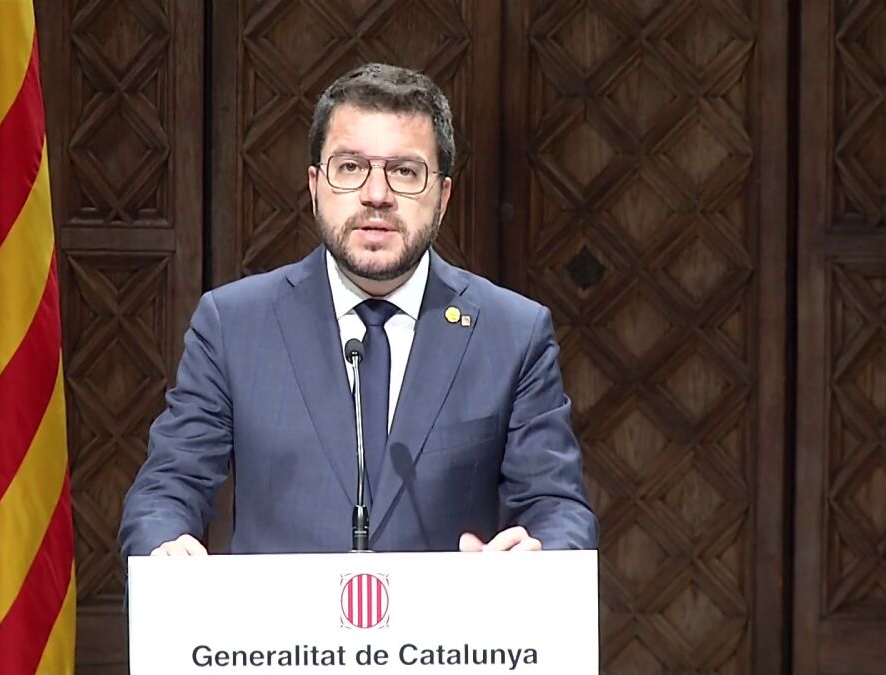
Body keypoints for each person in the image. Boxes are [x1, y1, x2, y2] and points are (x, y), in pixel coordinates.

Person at [119, 63, 597, 557]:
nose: (376, 195)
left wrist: (539, 555)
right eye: (350, 167)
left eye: (405, 172)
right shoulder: (233, 326)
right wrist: (165, 549)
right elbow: (166, 489)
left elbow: (557, 508)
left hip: (446, 613)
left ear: (443, 196)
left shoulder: (511, 334)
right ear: (315, 185)